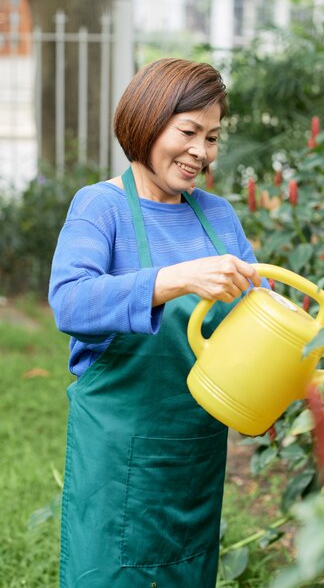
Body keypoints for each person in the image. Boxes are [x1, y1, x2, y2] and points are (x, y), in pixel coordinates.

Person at [49, 57, 263, 588]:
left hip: (196, 445)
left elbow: (258, 312)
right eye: (188, 131)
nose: (201, 152)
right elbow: (70, 302)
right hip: (119, 451)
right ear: (147, 120)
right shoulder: (102, 207)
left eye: (212, 138)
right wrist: (175, 279)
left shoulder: (217, 216)